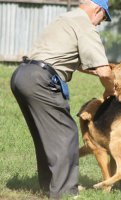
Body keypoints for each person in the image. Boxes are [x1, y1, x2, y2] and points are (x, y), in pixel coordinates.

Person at [10, 0, 114, 199]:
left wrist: (104, 71)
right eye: (104, 18)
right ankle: (65, 192)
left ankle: (48, 186)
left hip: (22, 75)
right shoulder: (86, 25)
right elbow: (103, 71)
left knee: (45, 134)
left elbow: (71, 61)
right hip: (40, 80)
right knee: (66, 133)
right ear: (98, 10)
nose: (101, 23)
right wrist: (110, 89)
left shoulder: (64, 18)